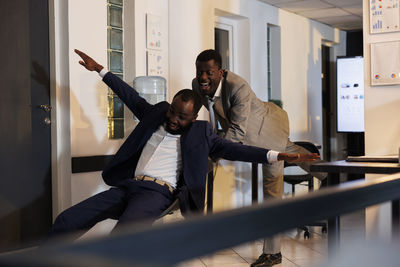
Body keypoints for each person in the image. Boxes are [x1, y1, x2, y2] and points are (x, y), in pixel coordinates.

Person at [48, 49, 319, 240]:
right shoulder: (158, 113)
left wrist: (277, 155)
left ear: (194, 116)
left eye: (182, 117)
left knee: (121, 239)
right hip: (127, 186)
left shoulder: (201, 133)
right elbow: (130, 96)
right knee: (67, 220)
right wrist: (101, 70)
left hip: (156, 194)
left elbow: (237, 148)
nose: (174, 120)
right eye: (172, 113)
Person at [192, 49, 326, 267]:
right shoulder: (198, 84)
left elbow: (236, 131)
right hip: (250, 132)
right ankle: (329, 173)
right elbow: (192, 112)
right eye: (199, 72)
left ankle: (273, 254)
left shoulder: (238, 86)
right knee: (293, 153)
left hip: (268, 129)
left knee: (272, 190)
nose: (203, 77)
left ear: (221, 72)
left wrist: (209, 157)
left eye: (209, 72)